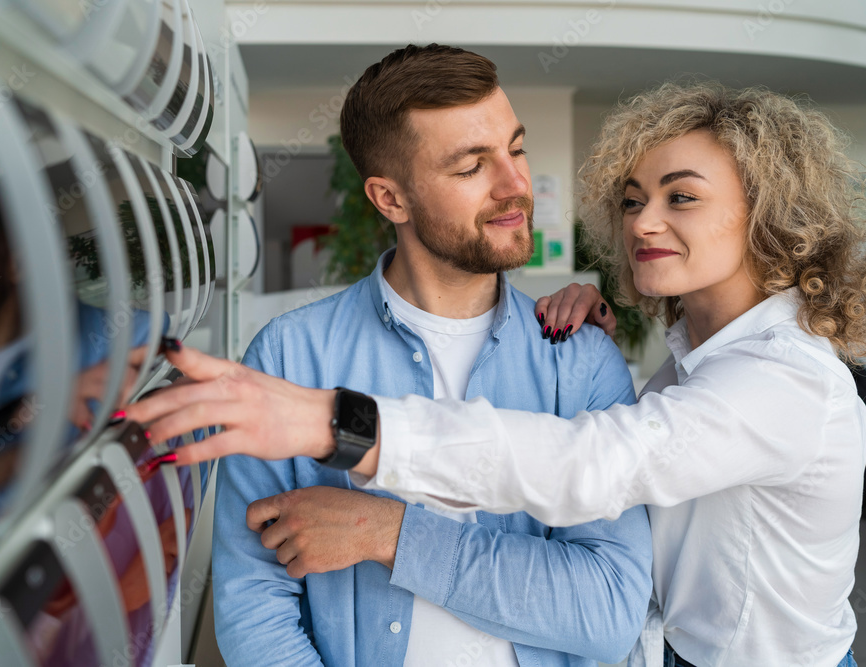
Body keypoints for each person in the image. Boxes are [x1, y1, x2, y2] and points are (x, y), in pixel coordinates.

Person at [126, 81, 866, 667]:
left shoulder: (783, 381)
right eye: (635, 199)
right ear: (390, 199)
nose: (641, 222)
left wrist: (353, 451)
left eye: (682, 197)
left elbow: (597, 479)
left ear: (766, 212)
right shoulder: (677, 359)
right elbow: (253, 604)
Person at [206, 44, 651, 666]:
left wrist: (389, 535)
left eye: (515, 150)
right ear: (390, 199)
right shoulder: (288, 356)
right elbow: (252, 603)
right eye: (472, 166)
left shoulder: (577, 360)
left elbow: (606, 611)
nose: (516, 185)